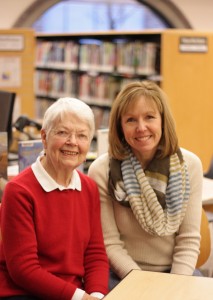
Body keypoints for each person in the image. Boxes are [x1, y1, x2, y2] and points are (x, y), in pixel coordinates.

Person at [88, 80, 203, 289]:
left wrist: (174, 286)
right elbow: (110, 244)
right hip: (122, 275)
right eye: (131, 120)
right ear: (120, 127)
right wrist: (144, 286)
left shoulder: (190, 166)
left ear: (162, 121)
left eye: (149, 117)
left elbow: (188, 240)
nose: (141, 128)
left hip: (177, 272)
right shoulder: (101, 170)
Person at [0, 97, 109, 300]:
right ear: (44, 137)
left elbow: (95, 254)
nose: (73, 142)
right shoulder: (19, 191)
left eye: (82, 135)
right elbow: (24, 270)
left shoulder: (89, 188)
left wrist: (97, 295)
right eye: (62, 132)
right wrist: (82, 298)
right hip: (23, 292)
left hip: (73, 292)